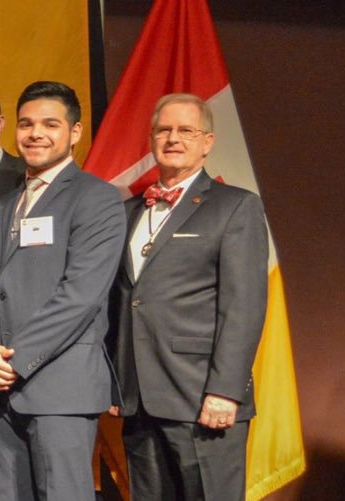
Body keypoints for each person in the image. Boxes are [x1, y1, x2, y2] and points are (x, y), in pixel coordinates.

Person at [0, 81, 126, 500]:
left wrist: (15, 360)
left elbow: (80, 296)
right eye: (26, 124)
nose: (35, 133)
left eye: (50, 124)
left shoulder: (97, 198)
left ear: (75, 132)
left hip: (61, 389)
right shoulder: (2, 206)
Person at [110, 93, 268, 500]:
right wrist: (116, 383)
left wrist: (225, 391)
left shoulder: (235, 207)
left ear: (207, 142)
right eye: (164, 130)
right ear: (151, 139)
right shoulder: (128, 211)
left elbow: (244, 308)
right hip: (139, 400)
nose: (173, 139)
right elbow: (124, 301)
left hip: (201, 396)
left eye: (186, 131)